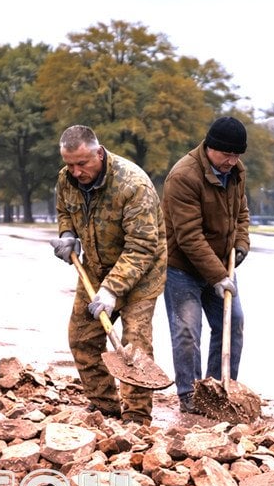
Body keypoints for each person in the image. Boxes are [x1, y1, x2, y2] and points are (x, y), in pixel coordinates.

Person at [49, 125, 166, 425]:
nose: (75, 171)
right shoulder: (67, 179)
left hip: (142, 274)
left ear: (98, 153)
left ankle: (137, 417)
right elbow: (65, 210)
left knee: (134, 344)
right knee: (82, 339)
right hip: (96, 267)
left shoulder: (133, 185)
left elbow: (142, 247)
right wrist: (67, 235)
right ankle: (105, 407)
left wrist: (112, 290)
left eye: (82, 164)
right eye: (70, 164)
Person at [162, 116, 250, 414]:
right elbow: (189, 236)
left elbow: (242, 214)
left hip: (221, 267)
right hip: (182, 268)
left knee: (233, 322)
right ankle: (189, 395)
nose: (232, 161)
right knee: (187, 331)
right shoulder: (183, 176)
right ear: (210, 147)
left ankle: (220, 390)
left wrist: (241, 244)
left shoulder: (236, 171)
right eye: (227, 154)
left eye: (237, 155)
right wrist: (217, 276)